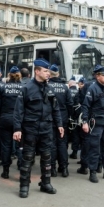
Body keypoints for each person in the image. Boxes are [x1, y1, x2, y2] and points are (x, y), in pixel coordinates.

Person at [13, 58, 64, 198]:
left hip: (46, 128)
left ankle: (45, 183)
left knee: (47, 157)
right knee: (27, 157)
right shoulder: (26, 89)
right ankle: (24, 185)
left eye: (48, 71)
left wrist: (59, 124)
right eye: (45, 71)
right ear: (37, 71)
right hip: (30, 128)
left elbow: (56, 109)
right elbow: (18, 111)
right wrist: (17, 129)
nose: (48, 73)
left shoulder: (50, 88)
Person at [80, 65, 104, 183]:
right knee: (94, 148)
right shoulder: (92, 89)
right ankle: (92, 172)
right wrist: (85, 122)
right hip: (96, 123)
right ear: (97, 76)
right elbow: (85, 106)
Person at [0, 66, 23, 179]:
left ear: (9, 75)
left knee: (6, 146)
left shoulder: (3, 88)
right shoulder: (24, 88)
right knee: (20, 146)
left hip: (5, 119)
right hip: (20, 120)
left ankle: (6, 171)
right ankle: (22, 169)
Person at [48, 64, 73, 178]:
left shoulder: (47, 86)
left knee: (52, 144)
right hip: (63, 118)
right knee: (62, 143)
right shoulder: (65, 87)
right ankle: (64, 168)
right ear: (58, 74)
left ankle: (52, 169)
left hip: (50, 118)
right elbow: (70, 104)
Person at [68, 76, 80, 160]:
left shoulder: (67, 91)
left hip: (70, 115)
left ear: (70, 84)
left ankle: (74, 152)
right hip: (78, 116)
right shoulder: (78, 92)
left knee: (74, 134)